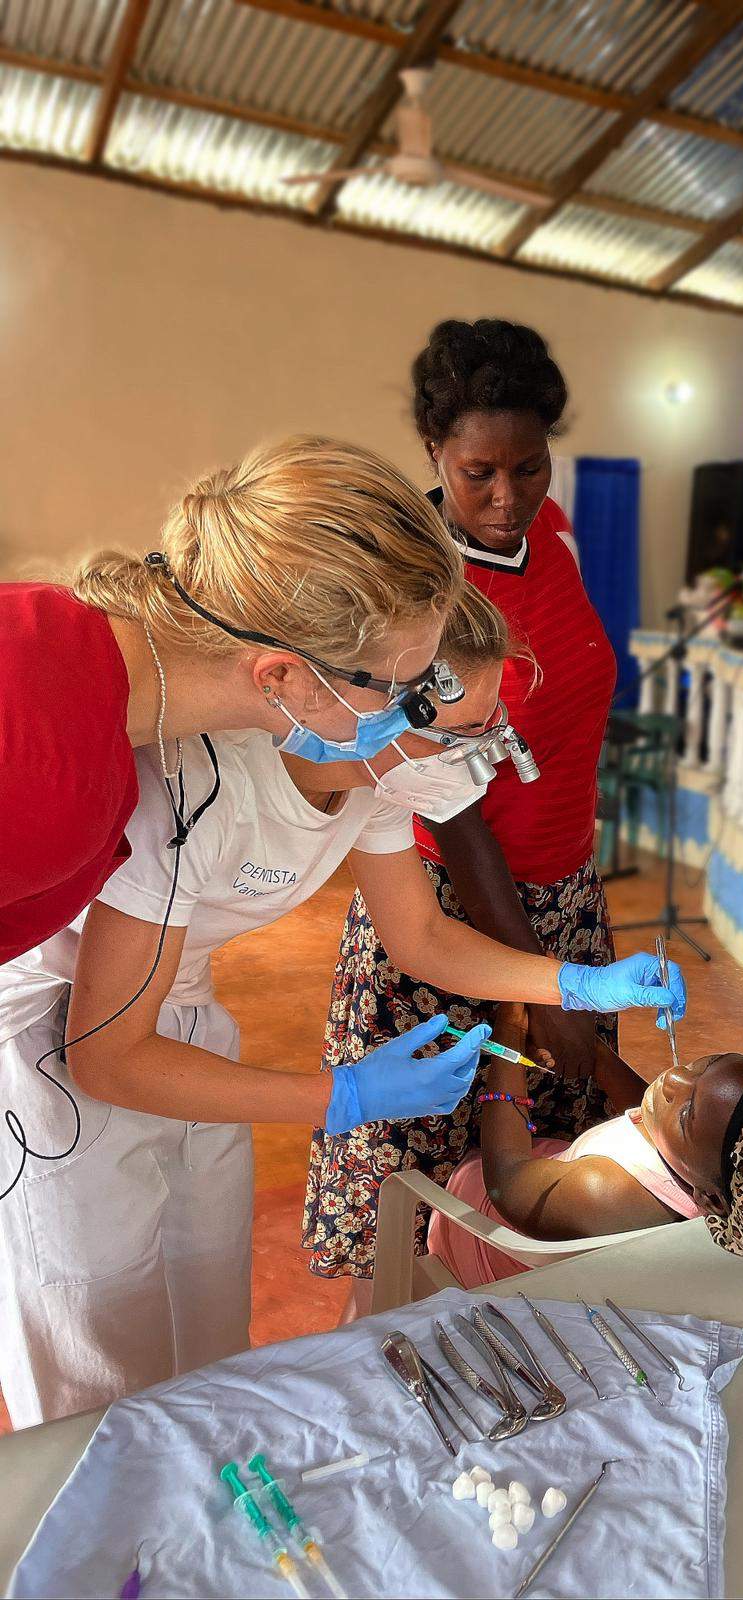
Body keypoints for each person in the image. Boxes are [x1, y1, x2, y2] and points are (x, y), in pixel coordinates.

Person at [0, 587, 684, 1428]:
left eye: (491, 734)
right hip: (57, 1041)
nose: (479, 762)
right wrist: (342, 1096)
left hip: (181, 1018)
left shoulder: (369, 779)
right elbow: (107, 1057)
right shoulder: (202, 782)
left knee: (208, 1310)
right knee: (101, 1352)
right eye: (465, 734)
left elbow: (421, 935)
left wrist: (571, 985)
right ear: (386, 699)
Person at [305, 320, 622, 1304]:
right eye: (480, 470)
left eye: (530, 466)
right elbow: (454, 809)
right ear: (434, 454)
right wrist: (536, 987)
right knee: (427, 1212)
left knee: (553, 1202)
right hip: (449, 910)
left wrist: (566, 949)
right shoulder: (419, 587)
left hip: (565, 896)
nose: (507, 496)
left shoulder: (553, 536)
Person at [0, 435, 472, 966]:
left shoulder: (45, 620)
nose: (410, 712)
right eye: (398, 692)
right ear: (284, 678)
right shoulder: (55, 786)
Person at [424, 1004, 743, 1289]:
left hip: (487, 1238)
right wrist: (596, 1052)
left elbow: (506, 1179)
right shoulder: (714, 1178)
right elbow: (656, 1120)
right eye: (706, 1064)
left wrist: (508, 1036)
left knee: (458, 1167)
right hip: (556, 1194)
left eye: (686, 1112)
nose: (674, 1079)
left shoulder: (602, 1191)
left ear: (709, 1199)